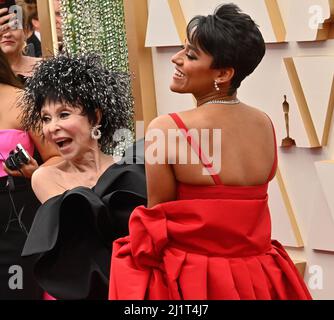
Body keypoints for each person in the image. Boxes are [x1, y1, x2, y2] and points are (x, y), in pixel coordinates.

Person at [109, 4, 312, 300]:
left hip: (196, 281)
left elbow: (156, 223)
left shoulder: (167, 129)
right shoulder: (265, 124)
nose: (177, 59)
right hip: (260, 278)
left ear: (224, 73)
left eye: (191, 55)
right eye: (183, 49)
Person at [20, 54, 147, 300]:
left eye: (64, 114)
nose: (51, 127)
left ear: (96, 117)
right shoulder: (46, 177)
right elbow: (85, 232)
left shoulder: (130, 168)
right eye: (46, 118)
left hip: (136, 287)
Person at [0, 48, 58, 299]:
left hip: (16, 213)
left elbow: (56, 157)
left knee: (18, 290)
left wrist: (35, 171)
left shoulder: (21, 100)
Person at [0, 1, 41, 83]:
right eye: (1, 27)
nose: (7, 34)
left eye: (14, 26)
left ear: (25, 31)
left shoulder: (43, 67)